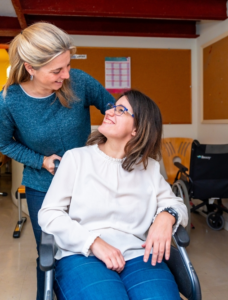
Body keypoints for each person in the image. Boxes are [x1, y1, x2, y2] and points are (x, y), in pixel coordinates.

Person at [0, 22, 115, 299]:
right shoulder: (9, 101)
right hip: (43, 186)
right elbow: (4, 143)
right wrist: (40, 160)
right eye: (56, 70)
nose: (66, 75)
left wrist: (108, 143)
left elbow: (114, 109)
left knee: (92, 246)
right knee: (49, 253)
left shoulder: (80, 81)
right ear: (30, 67)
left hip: (89, 182)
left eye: (67, 65)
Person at [38, 90, 188, 300]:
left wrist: (167, 215)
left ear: (137, 129)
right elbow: (49, 213)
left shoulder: (149, 168)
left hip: (139, 255)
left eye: (121, 110)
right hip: (82, 254)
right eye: (112, 107)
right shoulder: (76, 159)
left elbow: (176, 203)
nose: (109, 112)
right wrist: (93, 242)